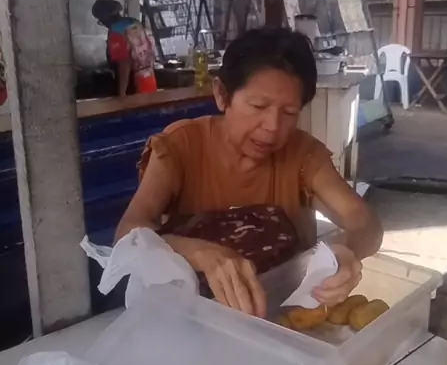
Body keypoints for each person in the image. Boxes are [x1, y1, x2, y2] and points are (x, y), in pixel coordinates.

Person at [116, 27, 383, 318]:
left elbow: (365, 222)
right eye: (258, 106)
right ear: (222, 95)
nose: (272, 126)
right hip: (193, 319)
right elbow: (127, 234)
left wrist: (345, 251)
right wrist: (199, 252)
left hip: (281, 316)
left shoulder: (302, 156)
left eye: (289, 112)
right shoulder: (179, 147)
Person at [92, 0, 156, 97]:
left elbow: (124, 63)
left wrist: (122, 93)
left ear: (105, 18)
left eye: (100, 20)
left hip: (132, 87)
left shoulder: (116, 31)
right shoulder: (134, 22)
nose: (103, 23)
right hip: (148, 79)